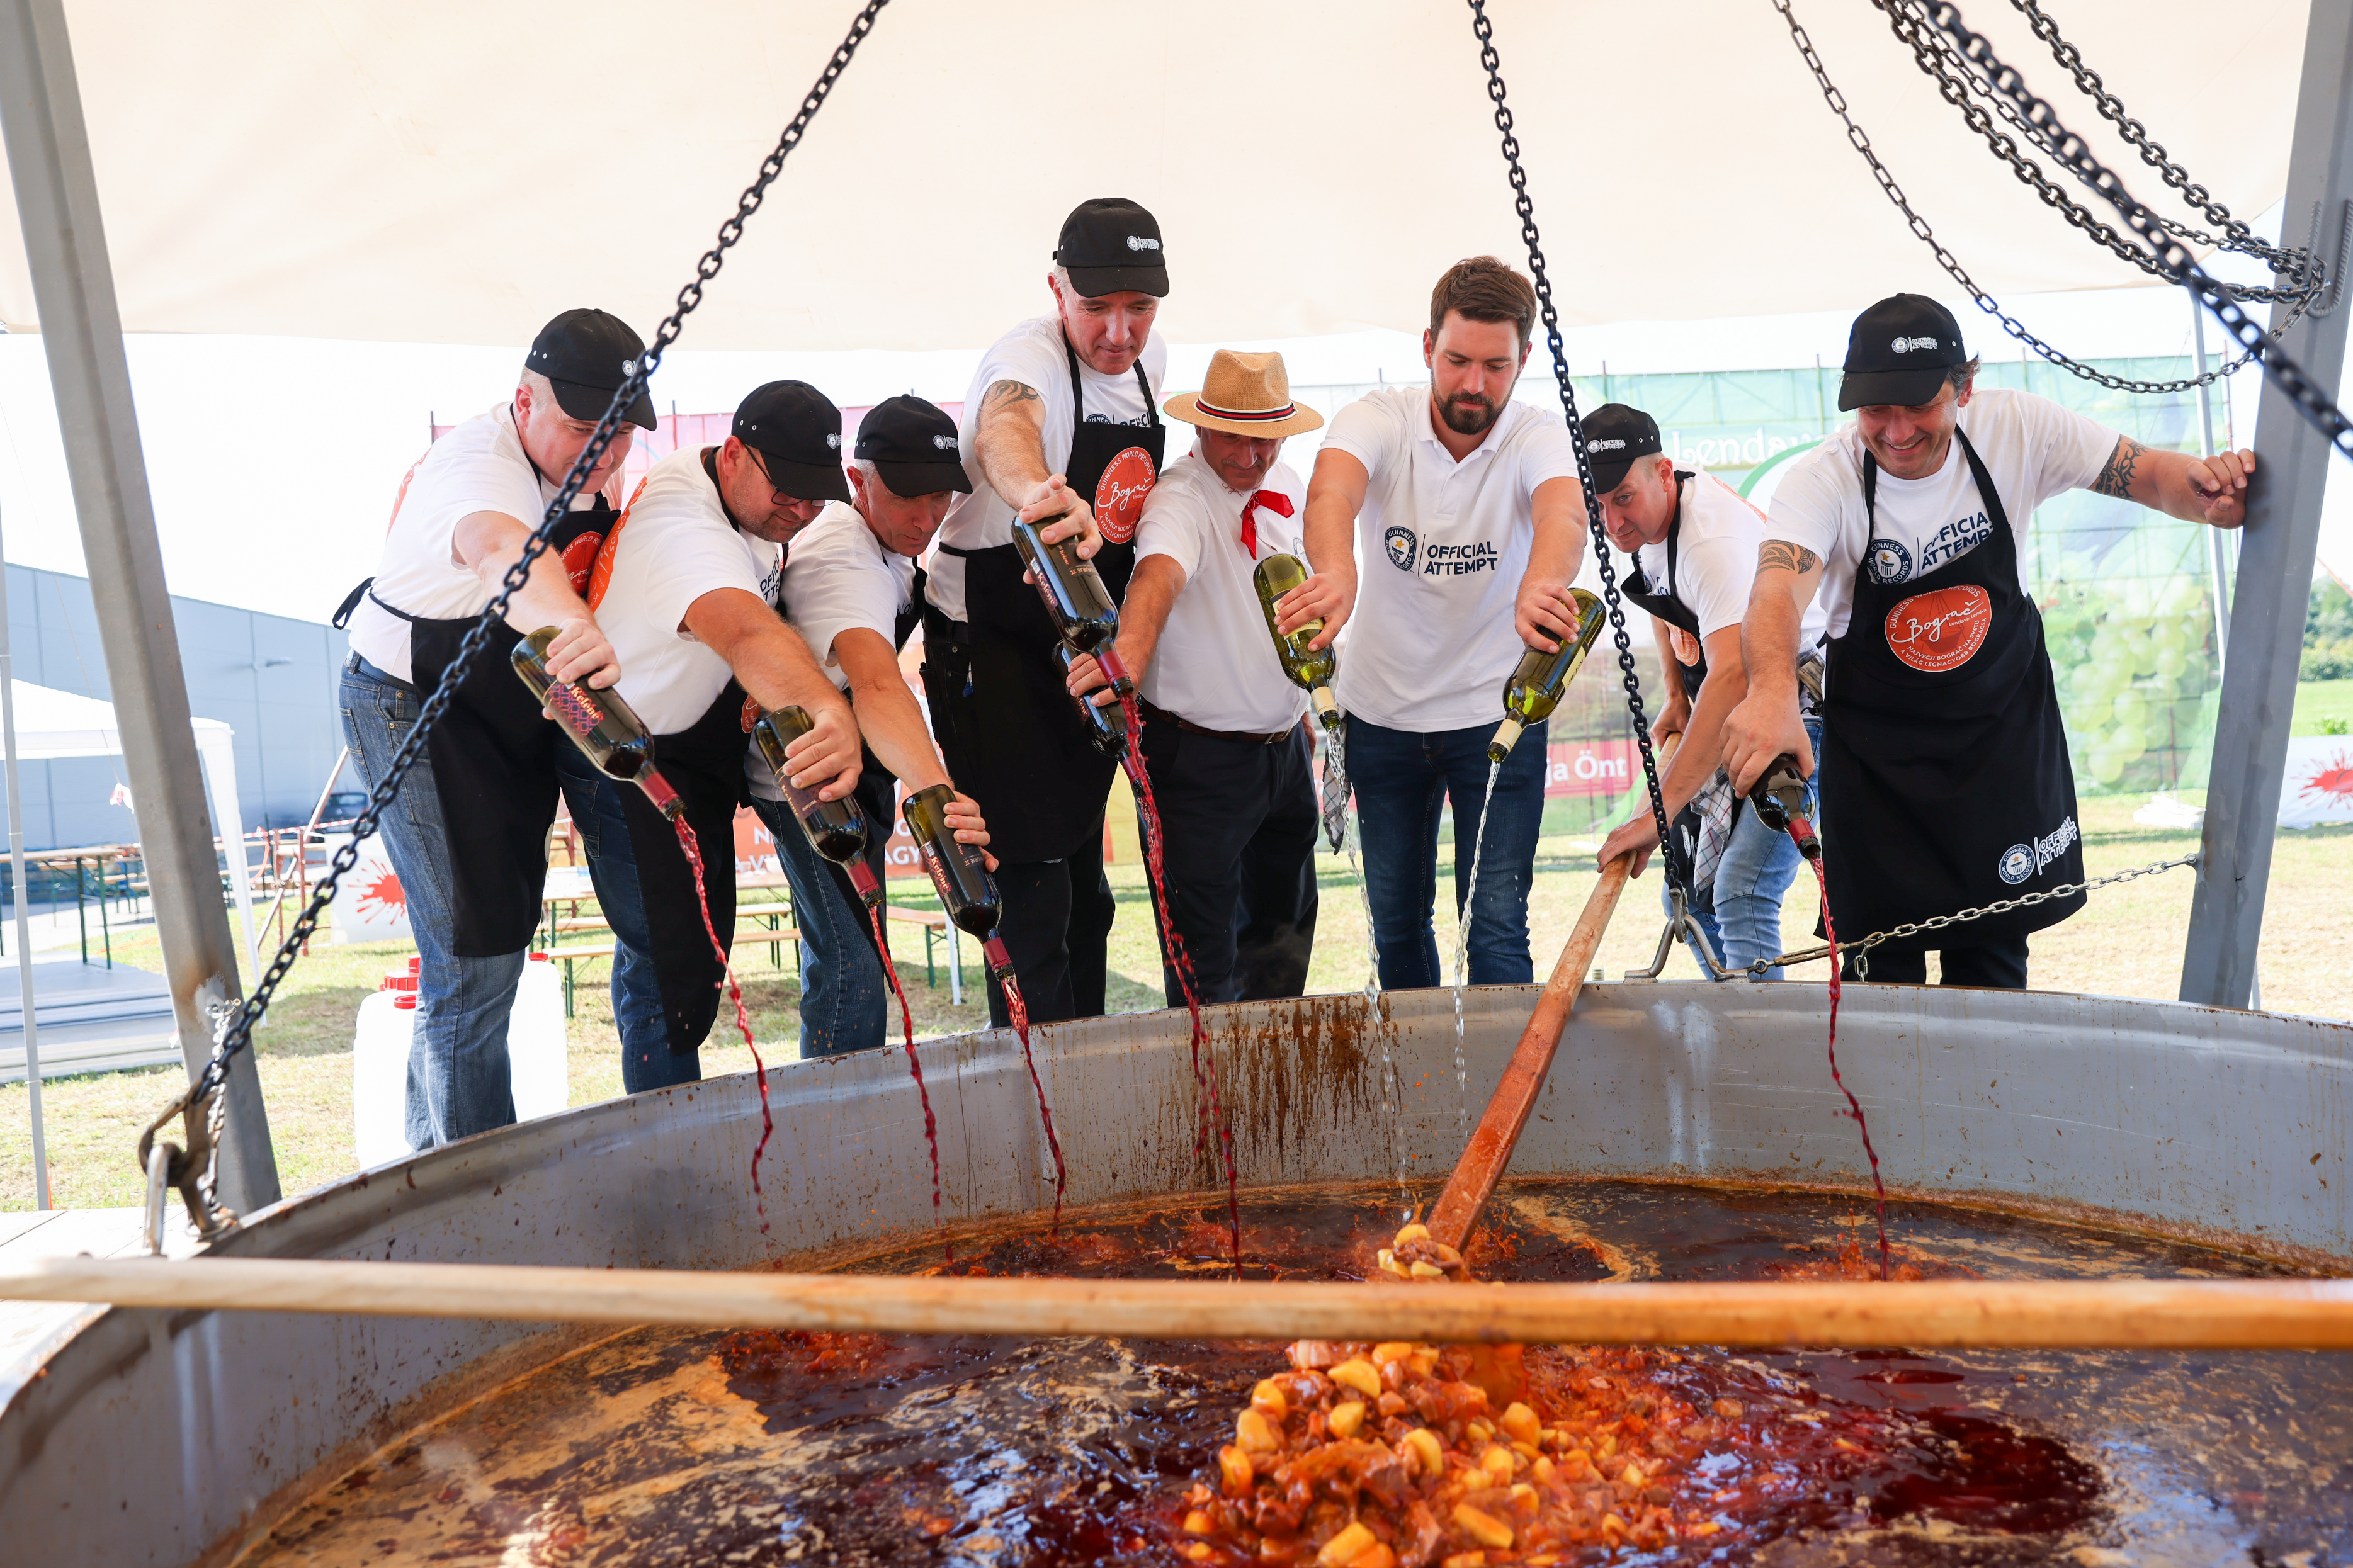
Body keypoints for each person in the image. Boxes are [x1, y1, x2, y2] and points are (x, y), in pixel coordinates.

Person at [1722, 294, 2254, 988]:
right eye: (1875, 410)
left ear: (1963, 388)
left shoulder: (2017, 427)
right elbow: (1774, 592)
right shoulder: (1823, 479)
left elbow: (2145, 472)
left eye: (1919, 405)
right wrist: (1768, 690)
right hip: (1879, 760)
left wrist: (2205, 492)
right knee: (1880, 978)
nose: (1896, 429)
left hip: (1997, 742)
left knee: (1993, 962)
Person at [337, 309, 657, 1148]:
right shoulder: (473, 467)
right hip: (413, 703)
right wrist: (567, 625)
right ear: (524, 401)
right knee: (472, 956)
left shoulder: (599, 466)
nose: (608, 451)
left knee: (497, 941)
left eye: (622, 433)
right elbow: (499, 547)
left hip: (503, 703)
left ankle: (429, 1168)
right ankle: (480, 1199)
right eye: (588, 428)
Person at [1273, 257, 1587, 989]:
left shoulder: (1535, 434)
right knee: (1397, 930)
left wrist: (1542, 584)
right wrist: (1336, 573)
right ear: (1426, 347)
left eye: (1494, 366)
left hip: (1494, 720)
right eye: (1456, 361)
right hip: (1381, 719)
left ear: (1523, 362)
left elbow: (1563, 512)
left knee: (1497, 931)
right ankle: (1422, 1100)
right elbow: (1329, 495)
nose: (1473, 384)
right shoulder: (1376, 416)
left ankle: (1503, 1103)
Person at [922, 196, 1170, 1028]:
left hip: (1077, 644)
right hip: (991, 652)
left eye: (1138, 307)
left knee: (1083, 890)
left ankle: (1085, 1072)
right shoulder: (1023, 359)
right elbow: (1005, 425)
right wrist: (1036, 493)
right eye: (1096, 306)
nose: (1117, 331)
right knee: (1028, 892)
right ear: (1056, 289)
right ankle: (1035, 1106)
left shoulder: (1145, 364)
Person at [579, 379, 864, 1080]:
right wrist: (826, 709)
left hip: (691, 746)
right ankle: (662, 1148)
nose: (800, 511)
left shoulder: (732, 492)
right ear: (733, 454)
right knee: (671, 962)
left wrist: (744, 690)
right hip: (624, 754)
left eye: (815, 496)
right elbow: (741, 628)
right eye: (786, 491)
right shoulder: (683, 525)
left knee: (691, 947)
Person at [1064, 349, 1324, 1005]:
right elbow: (1155, 581)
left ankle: (1273, 1095)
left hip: (1284, 753)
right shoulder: (1179, 498)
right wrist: (1123, 664)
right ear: (1200, 428)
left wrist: (1302, 715)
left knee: (1283, 943)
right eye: (1233, 434)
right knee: (1203, 966)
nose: (1249, 454)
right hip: (1199, 764)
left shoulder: (1286, 488)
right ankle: (1210, 1104)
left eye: (1264, 438)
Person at [753, 395, 992, 1055]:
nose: (925, 518)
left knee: (856, 957)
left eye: (940, 498)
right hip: (808, 782)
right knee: (851, 969)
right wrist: (937, 795)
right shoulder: (842, 557)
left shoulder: (889, 543)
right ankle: (837, 1140)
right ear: (857, 481)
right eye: (906, 497)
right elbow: (878, 683)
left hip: (852, 768)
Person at [1586, 404, 1830, 979]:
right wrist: (1675, 692)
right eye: (1595, 505)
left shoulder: (1708, 541)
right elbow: (1660, 594)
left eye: (1622, 497)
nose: (1612, 520)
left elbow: (1732, 676)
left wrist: (1658, 814)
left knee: (1740, 893)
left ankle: (1758, 1052)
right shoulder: (1648, 522)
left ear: (1662, 472)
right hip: (1740, 704)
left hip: (1806, 708)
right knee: (1690, 894)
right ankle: (1736, 1022)